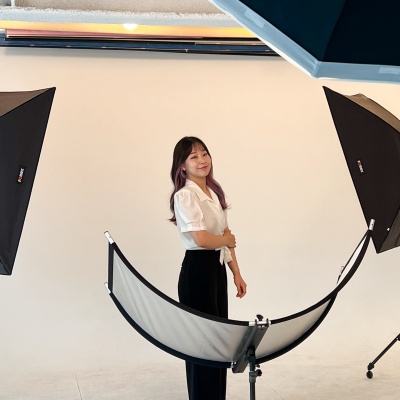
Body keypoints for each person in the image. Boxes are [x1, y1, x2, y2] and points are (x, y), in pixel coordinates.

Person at [169, 136, 247, 400]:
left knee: (218, 343)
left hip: (216, 270)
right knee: (202, 346)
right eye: (193, 157)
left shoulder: (213, 193)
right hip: (197, 272)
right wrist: (226, 240)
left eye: (204, 153)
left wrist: (236, 273)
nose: (202, 160)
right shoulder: (185, 195)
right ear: (182, 165)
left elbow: (225, 235)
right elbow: (201, 239)